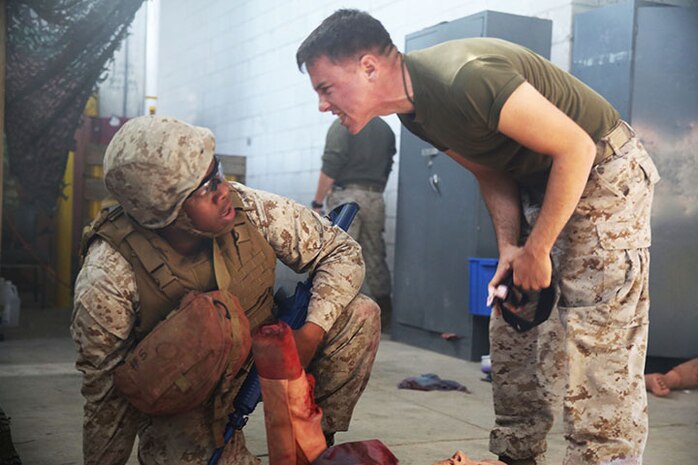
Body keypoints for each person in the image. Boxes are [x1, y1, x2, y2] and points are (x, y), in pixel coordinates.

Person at [296, 9, 660, 465]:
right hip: (540, 181)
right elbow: (489, 171)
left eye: (325, 88)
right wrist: (512, 248)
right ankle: (516, 455)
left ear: (369, 67)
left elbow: (577, 147)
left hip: (603, 172)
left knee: (596, 337)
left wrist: (540, 248)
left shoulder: (463, 79)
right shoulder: (414, 113)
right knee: (515, 321)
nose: (322, 105)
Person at [70, 115, 380, 464]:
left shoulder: (246, 205)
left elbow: (340, 250)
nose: (221, 189)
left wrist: (310, 333)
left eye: (215, 170)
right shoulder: (108, 275)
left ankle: (315, 443)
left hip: (262, 352)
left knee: (359, 313)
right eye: (203, 188)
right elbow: (105, 396)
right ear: (165, 211)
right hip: (189, 393)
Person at [312, 116, 396, 331]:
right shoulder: (385, 128)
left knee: (339, 255)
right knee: (375, 254)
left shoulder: (343, 124)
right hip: (375, 197)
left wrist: (317, 201)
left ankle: (330, 317)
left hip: (346, 195)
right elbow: (388, 164)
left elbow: (331, 163)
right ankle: (384, 318)